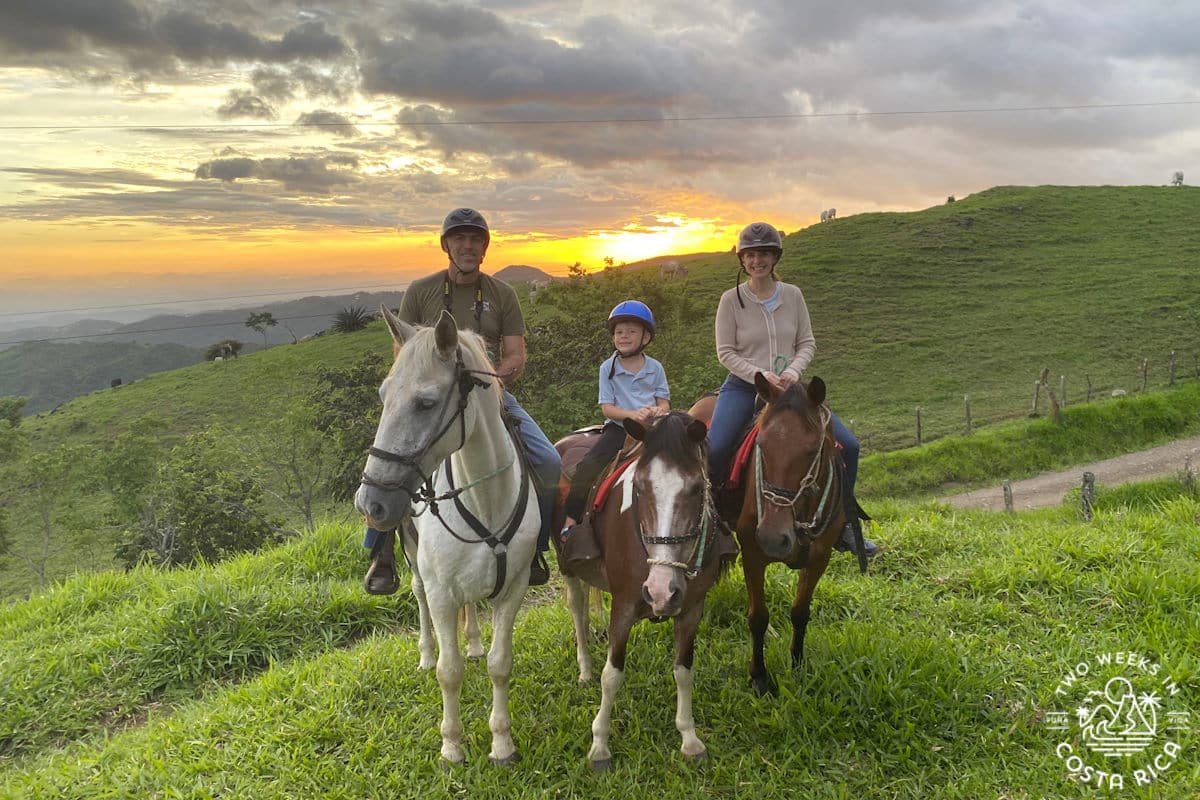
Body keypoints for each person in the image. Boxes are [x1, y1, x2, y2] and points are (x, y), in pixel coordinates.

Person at [363, 208, 563, 593]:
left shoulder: (503, 294)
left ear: (484, 249)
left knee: (549, 460)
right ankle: (382, 552)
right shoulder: (420, 292)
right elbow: (403, 359)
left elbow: (515, 356)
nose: (468, 246)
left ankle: (535, 550)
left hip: (488, 399)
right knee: (386, 462)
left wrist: (492, 383)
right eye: (460, 239)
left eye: (476, 240)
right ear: (447, 246)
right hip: (432, 402)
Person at [707, 221, 879, 557]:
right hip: (745, 386)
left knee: (850, 445)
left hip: (791, 388)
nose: (758, 261)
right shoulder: (731, 300)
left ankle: (843, 524)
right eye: (751, 255)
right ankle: (714, 525)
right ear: (742, 260)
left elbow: (807, 342)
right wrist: (761, 375)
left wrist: (792, 372)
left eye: (765, 254)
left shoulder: (793, 295)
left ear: (775, 257)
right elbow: (725, 352)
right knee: (716, 448)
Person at [559, 301, 669, 566]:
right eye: (619, 332)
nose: (624, 336)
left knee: (682, 460)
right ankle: (573, 520)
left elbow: (665, 403)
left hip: (652, 428)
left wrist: (655, 412)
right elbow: (607, 409)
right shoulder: (606, 369)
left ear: (646, 337)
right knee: (588, 466)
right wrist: (632, 415)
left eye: (631, 331)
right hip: (619, 429)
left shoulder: (655, 368)